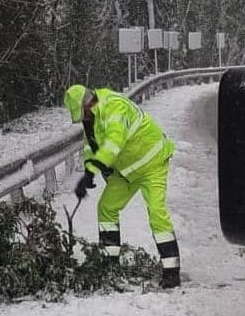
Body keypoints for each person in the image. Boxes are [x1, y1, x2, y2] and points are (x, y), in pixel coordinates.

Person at [63, 84, 181, 288]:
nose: (84, 119)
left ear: (89, 103)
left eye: (83, 114)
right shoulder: (92, 120)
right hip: (127, 171)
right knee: (106, 207)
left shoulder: (114, 106)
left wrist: (93, 171)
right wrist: (88, 171)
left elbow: (113, 143)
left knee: (156, 211)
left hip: (153, 162)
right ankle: (110, 265)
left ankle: (171, 271)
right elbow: (90, 147)